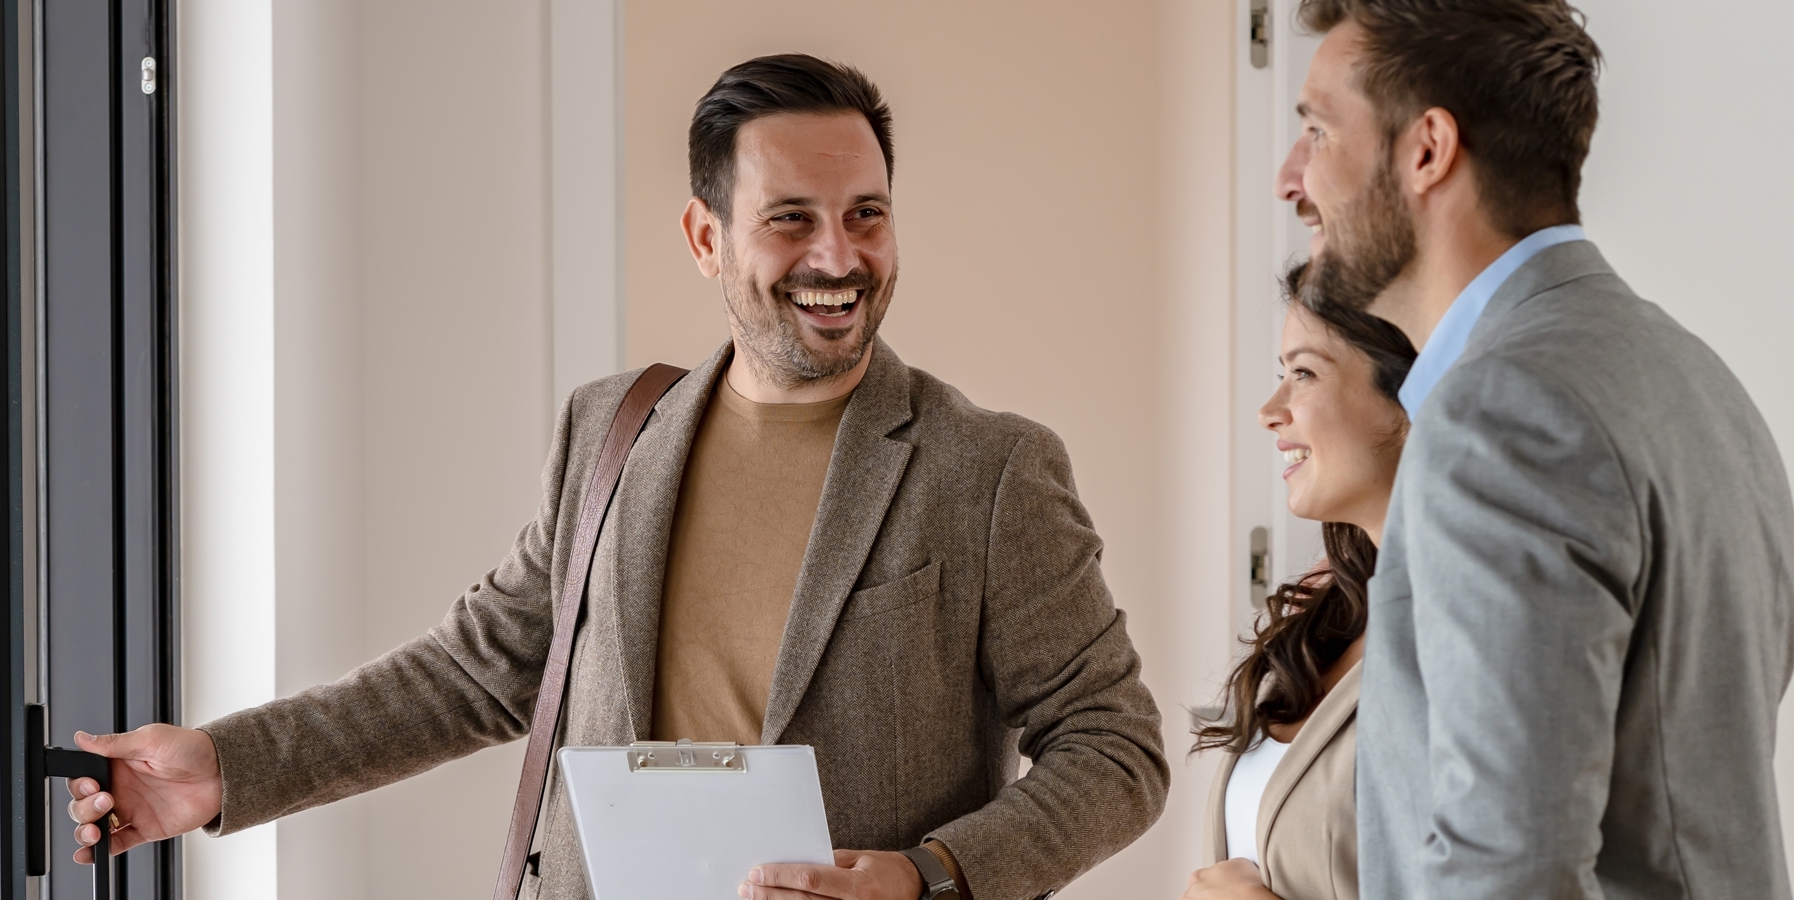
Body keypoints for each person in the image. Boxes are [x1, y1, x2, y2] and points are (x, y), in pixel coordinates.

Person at [57, 54, 1170, 900]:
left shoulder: (985, 469)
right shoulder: (613, 430)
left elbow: (1114, 748)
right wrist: (224, 765)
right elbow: (481, 671)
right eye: (791, 219)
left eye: (865, 215)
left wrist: (928, 875)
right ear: (704, 236)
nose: (839, 258)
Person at [1281, 2, 1794, 899]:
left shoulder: (1500, 411)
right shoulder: (1692, 375)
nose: (1293, 179)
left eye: (1318, 132)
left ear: (1428, 150)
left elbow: (1506, 872)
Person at [1181, 271, 1416, 900]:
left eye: (1304, 373)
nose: (1269, 411)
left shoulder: (1482, 639)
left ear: (1412, 394)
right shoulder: (1330, 615)